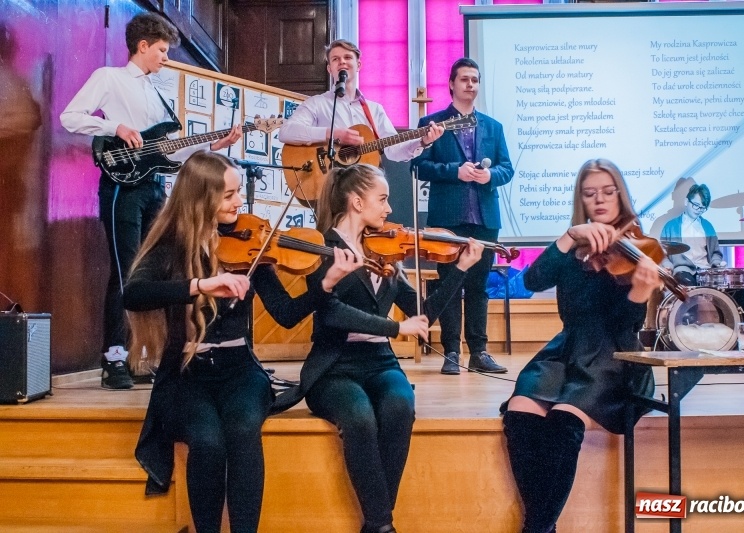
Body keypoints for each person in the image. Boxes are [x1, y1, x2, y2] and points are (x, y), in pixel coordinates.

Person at [123, 151, 361, 533]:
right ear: (201, 198)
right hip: (186, 373)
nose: (240, 202)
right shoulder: (171, 246)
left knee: (243, 431)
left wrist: (327, 283)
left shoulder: (252, 244)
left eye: (238, 193)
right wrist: (201, 284)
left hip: (239, 372)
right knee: (207, 440)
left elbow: (285, 313)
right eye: (230, 195)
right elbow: (133, 295)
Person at [271, 164, 483, 533]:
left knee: (400, 406)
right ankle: (382, 524)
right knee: (359, 417)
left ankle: (378, 523)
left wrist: (460, 270)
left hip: (380, 361)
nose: (388, 209)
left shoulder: (384, 250)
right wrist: (395, 327)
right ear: (356, 202)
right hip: (334, 365)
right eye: (382, 199)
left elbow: (423, 314)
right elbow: (334, 313)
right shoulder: (322, 248)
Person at [60, 12, 242, 389]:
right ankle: (114, 358)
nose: (165, 57)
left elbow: (167, 153)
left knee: (153, 271)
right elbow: (70, 118)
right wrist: (116, 127)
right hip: (122, 187)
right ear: (142, 46)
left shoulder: (157, 93)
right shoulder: (108, 78)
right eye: (161, 50)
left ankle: (143, 356)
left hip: (154, 188)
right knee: (126, 273)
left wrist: (212, 146)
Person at [502, 159, 661, 533]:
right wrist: (569, 237)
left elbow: (625, 325)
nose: (600, 200)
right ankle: (543, 525)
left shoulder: (637, 248)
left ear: (621, 194)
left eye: (609, 192)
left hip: (614, 357)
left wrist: (640, 292)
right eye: (590, 194)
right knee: (520, 411)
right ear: (582, 201)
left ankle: (537, 527)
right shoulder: (574, 247)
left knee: (563, 420)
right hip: (566, 349)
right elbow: (532, 279)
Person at [411, 57, 514, 375]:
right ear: (452, 84)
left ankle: (479, 352)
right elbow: (419, 167)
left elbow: (507, 169)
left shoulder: (493, 127)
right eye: (465, 79)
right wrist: (456, 171)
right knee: (449, 285)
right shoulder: (432, 123)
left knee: (479, 287)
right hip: (448, 217)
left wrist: (489, 176)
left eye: (475, 80)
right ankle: (451, 352)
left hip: (485, 218)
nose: (471, 84)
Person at [278, 39, 443, 162]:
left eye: (347, 57)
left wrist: (422, 141)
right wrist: (332, 134)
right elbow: (286, 132)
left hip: (365, 186)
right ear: (329, 69)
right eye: (335, 59)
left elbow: (393, 151)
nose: (342, 61)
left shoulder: (374, 109)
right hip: (330, 185)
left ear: (358, 65)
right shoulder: (316, 103)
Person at [660, 183, 744, 318]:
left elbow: (715, 253)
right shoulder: (670, 226)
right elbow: (663, 254)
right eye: (695, 205)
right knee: (689, 289)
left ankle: (738, 330)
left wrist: (717, 263)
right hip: (683, 271)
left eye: (702, 208)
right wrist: (668, 266)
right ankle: (690, 330)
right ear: (686, 201)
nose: (698, 210)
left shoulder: (707, 226)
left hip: (706, 272)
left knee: (739, 289)